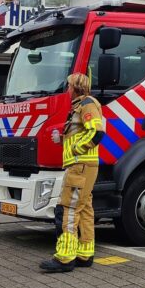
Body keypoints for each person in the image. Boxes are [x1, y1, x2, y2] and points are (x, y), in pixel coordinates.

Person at [40, 72, 104, 272]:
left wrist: (76, 149)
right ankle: (85, 254)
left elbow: (97, 131)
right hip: (83, 165)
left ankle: (65, 258)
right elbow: (83, 133)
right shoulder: (80, 106)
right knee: (84, 208)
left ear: (76, 86)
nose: (66, 89)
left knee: (68, 209)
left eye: (68, 86)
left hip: (80, 165)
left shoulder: (87, 104)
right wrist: (63, 140)